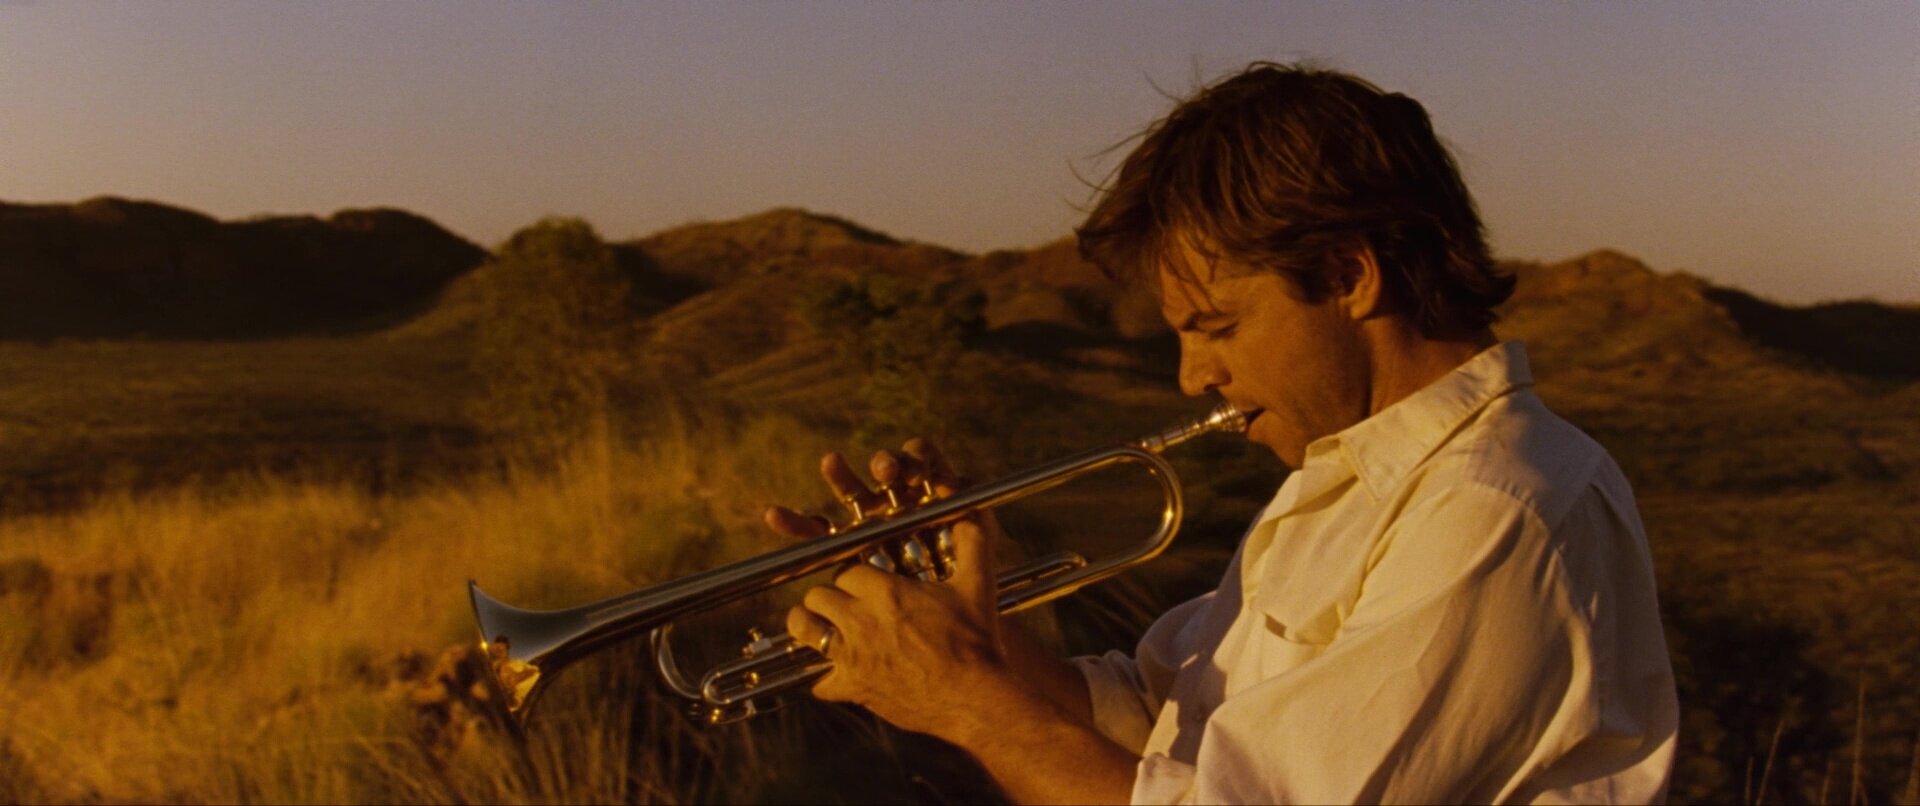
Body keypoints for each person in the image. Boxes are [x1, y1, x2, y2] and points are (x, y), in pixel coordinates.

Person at [765, 62, 1678, 804]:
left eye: (1217, 327)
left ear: (1348, 276)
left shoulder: (1494, 508)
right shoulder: (1354, 475)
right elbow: (1159, 723)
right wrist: (968, 636)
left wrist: (967, 701)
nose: (1192, 376)